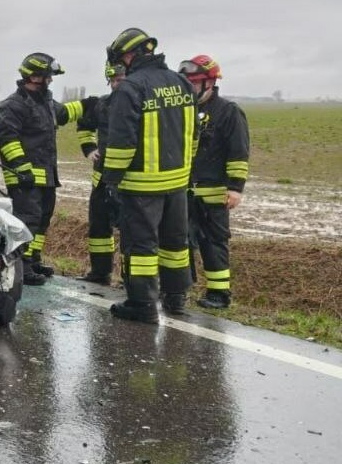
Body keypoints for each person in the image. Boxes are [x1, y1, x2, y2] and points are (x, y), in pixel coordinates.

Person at [101, 27, 197, 323]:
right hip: (177, 183)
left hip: (142, 186)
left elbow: (122, 142)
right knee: (175, 244)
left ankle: (142, 304)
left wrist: (111, 180)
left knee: (141, 247)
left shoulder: (131, 88)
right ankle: (176, 297)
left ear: (129, 56)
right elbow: (193, 135)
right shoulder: (181, 82)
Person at [0, 52, 91, 286]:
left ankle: (33, 259)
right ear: (35, 77)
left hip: (46, 175)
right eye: (48, 77)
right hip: (25, 177)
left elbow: (64, 113)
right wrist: (22, 169)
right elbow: (8, 140)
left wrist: (92, 104)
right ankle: (21, 266)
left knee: (42, 220)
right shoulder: (13, 106)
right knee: (28, 220)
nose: (50, 81)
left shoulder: (45, 102)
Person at [180, 55, 248, 309]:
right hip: (184, 191)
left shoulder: (228, 111)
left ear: (209, 83)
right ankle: (180, 289)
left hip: (215, 192)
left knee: (213, 243)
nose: (189, 88)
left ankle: (219, 294)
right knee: (180, 242)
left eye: (193, 83)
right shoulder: (183, 111)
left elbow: (238, 152)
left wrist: (235, 188)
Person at [76, 63, 127, 285]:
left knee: (130, 233)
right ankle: (100, 272)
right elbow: (84, 124)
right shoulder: (102, 104)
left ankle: (131, 279)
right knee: (98, 228)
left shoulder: (140, 105)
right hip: (101, 181)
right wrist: (89, 148)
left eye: (120, 80)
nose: (116, 85)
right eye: (112, 81)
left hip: (127, 182)